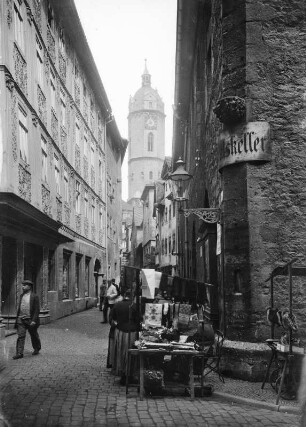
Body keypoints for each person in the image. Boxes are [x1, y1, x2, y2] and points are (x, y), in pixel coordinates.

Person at [110, 289, 138, 385]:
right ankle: (129, 375)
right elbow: (139, 320)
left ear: (124, 295)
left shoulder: (117, 305)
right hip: (131, 333)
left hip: (120, 332)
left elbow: (112, 319)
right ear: (132, 296)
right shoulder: (134, 306)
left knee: (121, 353)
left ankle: (123, 375)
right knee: (131, 354)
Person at [12, 280, 41, 359]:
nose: (22, 287)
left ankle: (36, 348)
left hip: (30, 320)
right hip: (21, 319)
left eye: (24, 285)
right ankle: (19, 353)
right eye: (22, 285)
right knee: (21, 336)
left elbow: (36, 310)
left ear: (30, 286)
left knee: (33, 335)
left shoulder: (34, 296)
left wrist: (34, 321)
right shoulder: (21, 295)